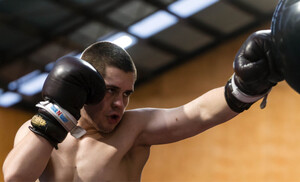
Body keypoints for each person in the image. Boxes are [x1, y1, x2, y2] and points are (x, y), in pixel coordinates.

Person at [2, 29, 281, 181]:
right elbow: (15, 176)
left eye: (126, 94)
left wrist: (244, 86)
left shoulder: (133, 130)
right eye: (111, 90)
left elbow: (196, 114)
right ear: (86, 86)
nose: (119, 104)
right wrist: (55, 113)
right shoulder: (37, 130)